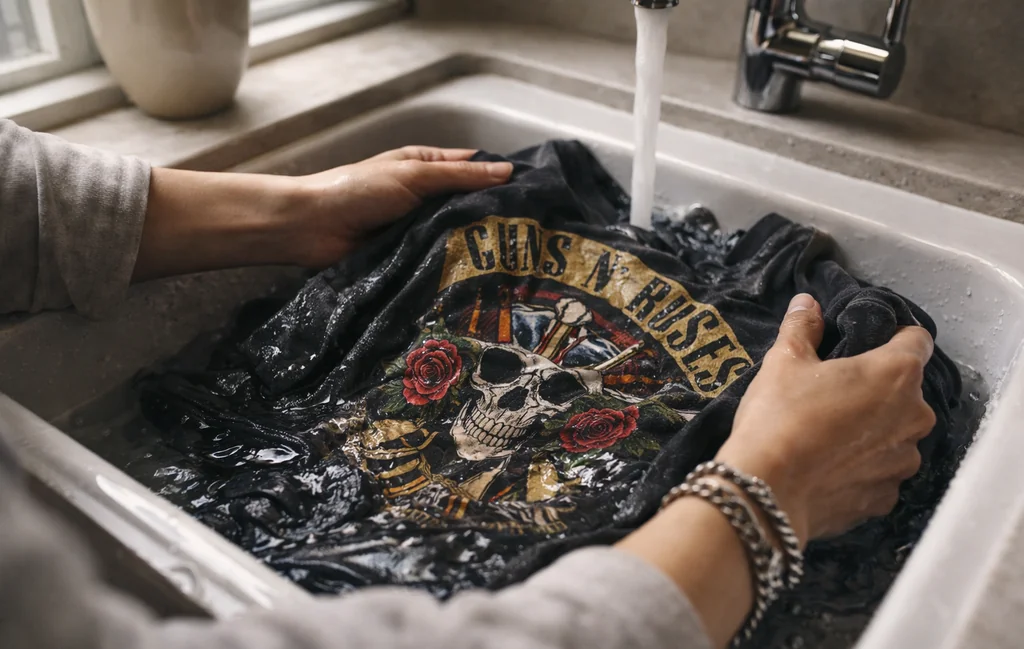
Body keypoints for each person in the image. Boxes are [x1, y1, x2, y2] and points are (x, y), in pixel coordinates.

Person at [0, 118, 936, 649]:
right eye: (511, 376)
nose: (522, 393)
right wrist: (764, 496)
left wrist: (294, 210)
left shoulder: (839, 334)